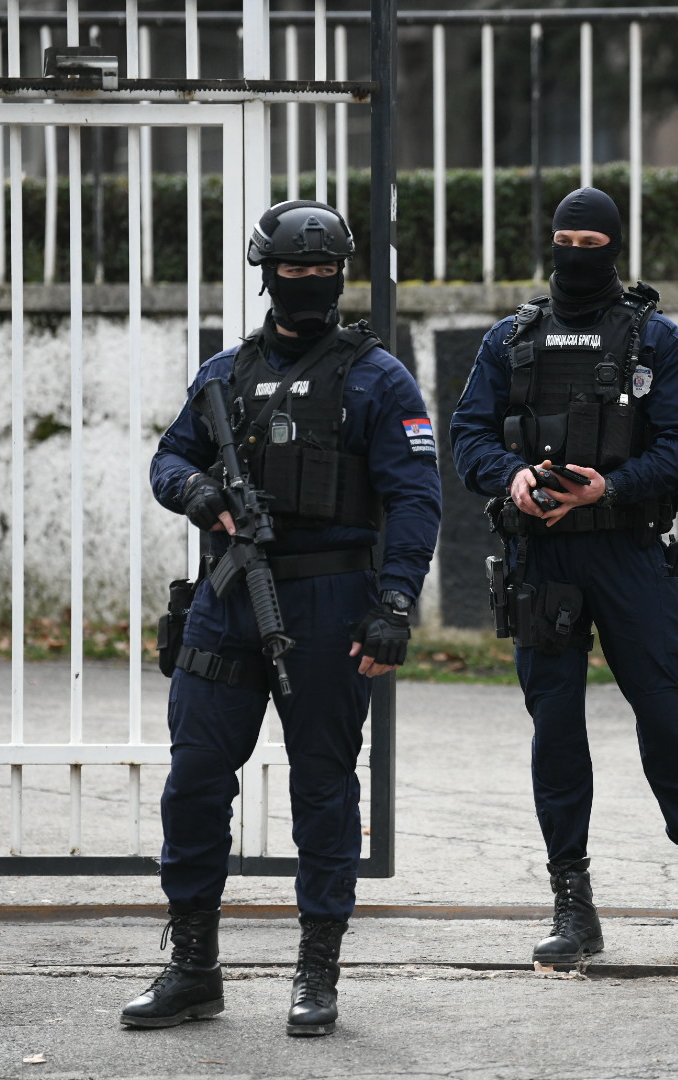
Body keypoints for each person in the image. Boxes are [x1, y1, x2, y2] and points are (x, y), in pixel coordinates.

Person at [123, 200, 442, 1034]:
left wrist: (395, 606)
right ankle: (193, 966)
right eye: (292, 272)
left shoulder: (378, 378)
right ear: (267, 274)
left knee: (324, 791)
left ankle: (317, 972)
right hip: (228, 600)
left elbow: (415, 500)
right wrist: (199, 494)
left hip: (332, 603)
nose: (307, 285)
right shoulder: (225, 374)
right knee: (194, 782)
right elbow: (168, 457)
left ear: (341, 275)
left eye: (321, 271)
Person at [450, 186, 678, 964]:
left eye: (592, 243)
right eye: (566, 240)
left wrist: (611, 487)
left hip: (628, 550)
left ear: (615, 248)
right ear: (547, 243)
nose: (577, 255)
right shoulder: (511, 341)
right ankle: (572, 901)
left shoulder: (655, 338)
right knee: (556, 729)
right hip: (542, 558)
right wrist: (513, 480)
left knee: (665, 720)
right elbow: (467, 438)